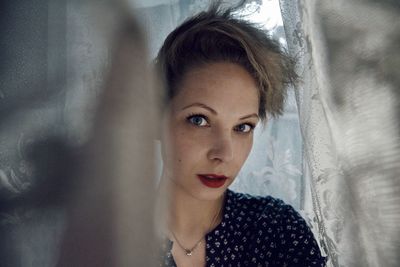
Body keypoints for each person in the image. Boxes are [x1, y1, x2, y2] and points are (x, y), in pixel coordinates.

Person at [155, 2, 327, 266]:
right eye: (199, 120)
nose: (225, 153)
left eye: (242, 127)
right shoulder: (108, 238)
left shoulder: (277, 233)